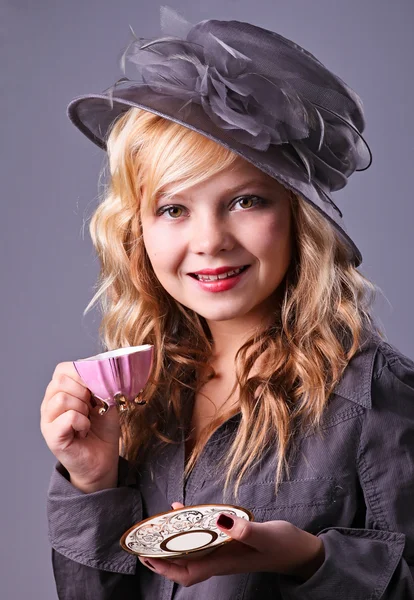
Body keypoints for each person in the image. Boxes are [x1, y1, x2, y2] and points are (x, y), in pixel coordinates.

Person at [40, 8, 414, 600]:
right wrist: (94, 480)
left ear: (297, 217)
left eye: (245, 200)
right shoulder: (143, 398)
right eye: (173, 209)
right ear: (137, 230)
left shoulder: (374, 394)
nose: (210, 241)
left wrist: (307, 559)